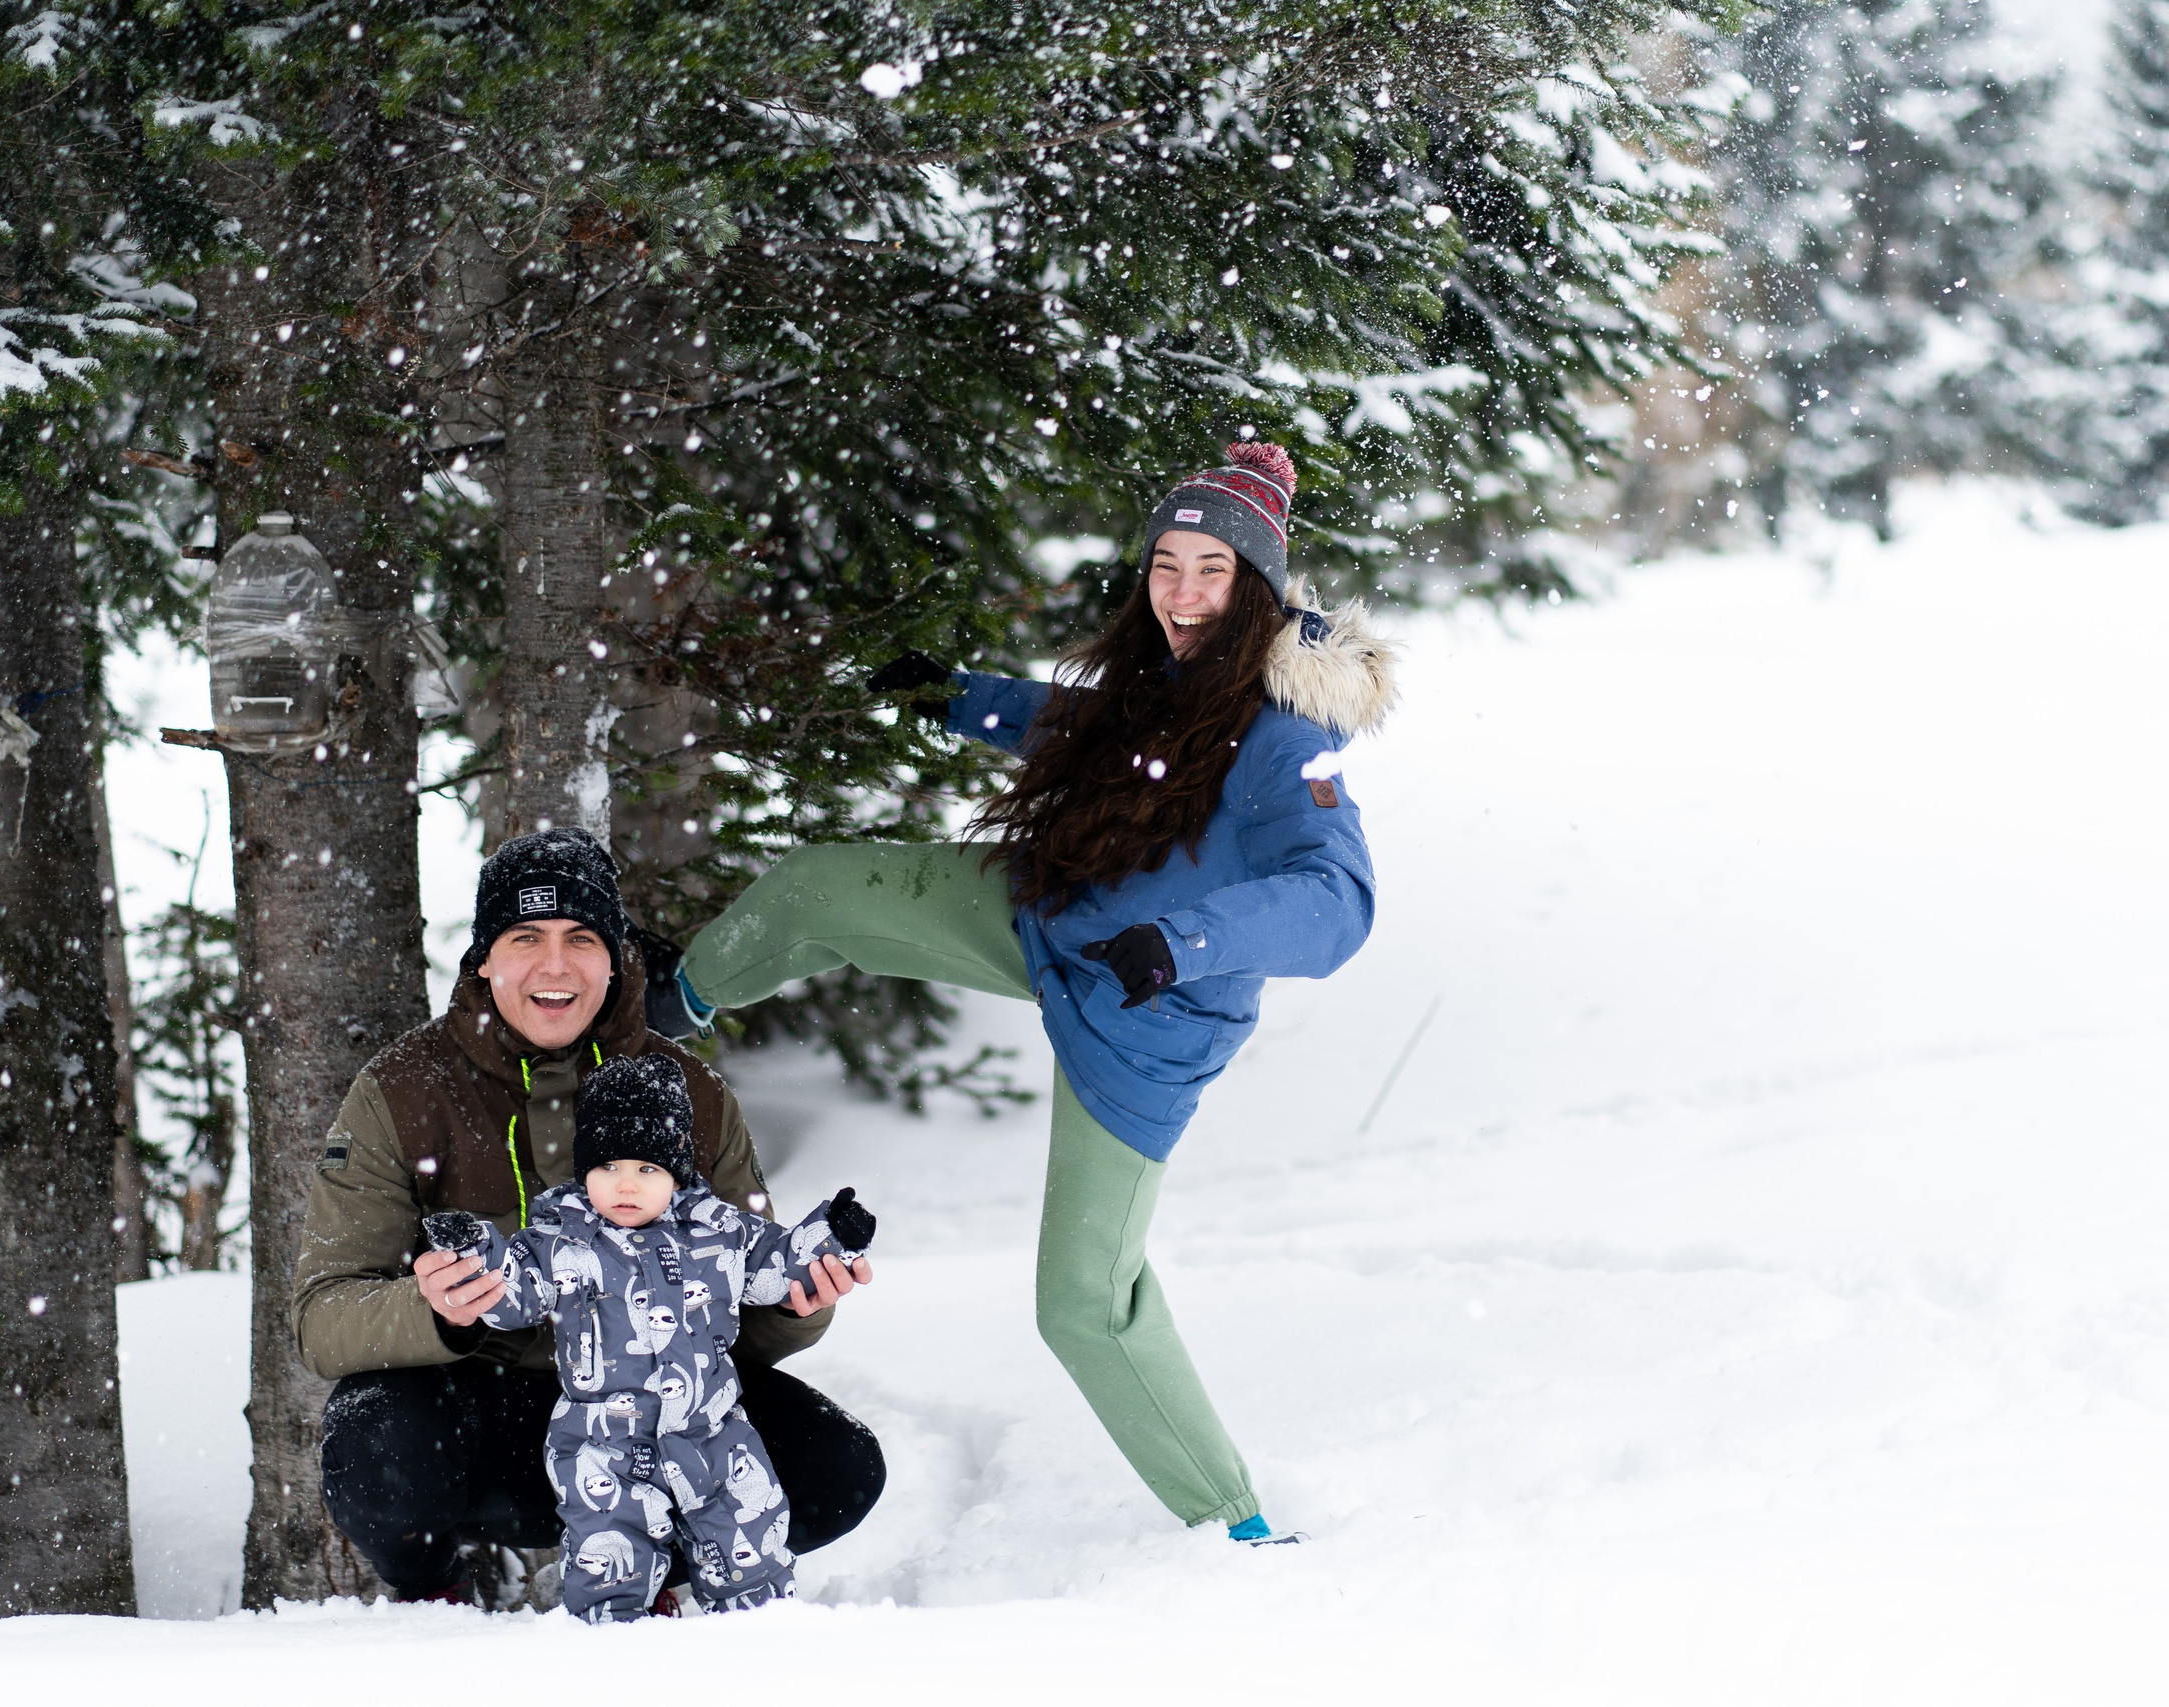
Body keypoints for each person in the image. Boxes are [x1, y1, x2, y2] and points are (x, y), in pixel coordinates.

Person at [652, 441, 1394, 1543]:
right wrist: (960, 697)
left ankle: (1237, 1526)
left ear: (1259, 589)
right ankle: (659, 1015)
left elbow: (1337, 904)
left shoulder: (1287, 738)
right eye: (1167, 564)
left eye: (1212, 571)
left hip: (1143, 1015)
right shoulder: (1166, 676)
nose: (1183, 593)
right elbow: (1091, 737)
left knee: (1084, 1304)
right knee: (819, 887)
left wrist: (1181, 940)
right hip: (1051, 910)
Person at [295, 827, 883, 1603]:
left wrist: (805, 1305)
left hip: (657, 1409)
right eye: (524, 936)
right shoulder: (402, 1089)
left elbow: (751, 1290)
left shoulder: (692, 1094)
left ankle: (659, 1571)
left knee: (838, 1466)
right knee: (368, 1440)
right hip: (479, 1411)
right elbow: (321, 1315)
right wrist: (435, 1311)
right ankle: (435, 1593)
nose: (554, 965)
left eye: (581, 937)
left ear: (616, 957)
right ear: (484, 958)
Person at [425, 1053, 878, 1622]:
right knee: (611, 1564)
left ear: (676, 1173)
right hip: (602, 1445)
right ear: (584, 1169)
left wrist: (832, 1237)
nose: (625, 1185)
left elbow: (779, 1264)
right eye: (608, 1166)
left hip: (713, 1436)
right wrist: (474, 1255)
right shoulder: (560, 1242)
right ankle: (614, 1651)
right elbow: (511, 1294)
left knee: (751, 1551)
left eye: (647, 1170)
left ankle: (759, 1645)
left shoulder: (717, 1232)